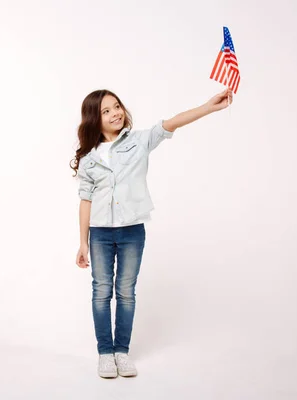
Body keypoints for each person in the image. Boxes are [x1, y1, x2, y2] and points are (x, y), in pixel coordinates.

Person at [71, 88, 233, 378]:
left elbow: (171, 123)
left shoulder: (138, 141)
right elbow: (85, 201)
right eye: (106, 110)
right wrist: (82, 242)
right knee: (101, 292)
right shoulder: (89, 159)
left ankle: (122, 351)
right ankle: (105, 353)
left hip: (133, 231)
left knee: (125, 293)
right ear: (95, 119)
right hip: (100, 235)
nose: (115, 113)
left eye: (117, 106)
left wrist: (208, 107)